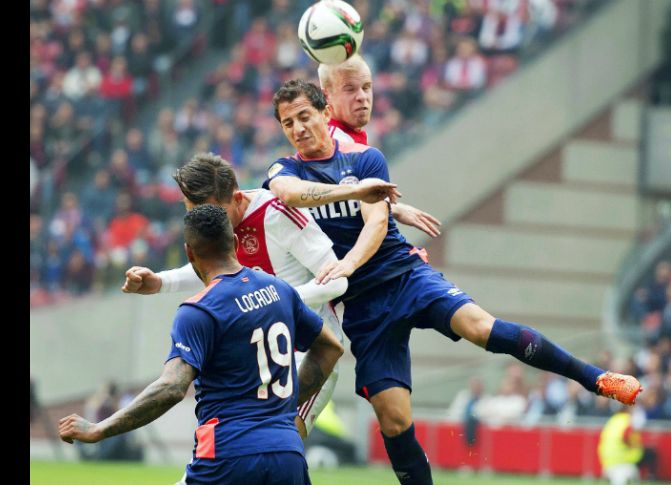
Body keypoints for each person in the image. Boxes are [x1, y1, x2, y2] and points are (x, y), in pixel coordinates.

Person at [264, 79, 643, 485]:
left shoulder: (366, 159)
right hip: (361, 307)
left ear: (324, 113)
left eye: (304, 116)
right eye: (288, 123)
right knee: (393, 420)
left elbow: (376, 225)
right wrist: (355, 193)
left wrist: (350, 260)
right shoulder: (284, 170)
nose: (298, 128)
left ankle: (596, 379)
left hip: (404, 275)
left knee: (481, 328)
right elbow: (291, 194)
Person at [60, 204, 345, 484]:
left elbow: (172, 387)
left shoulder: (199, 310)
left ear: (189, 252)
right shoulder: (278, 289)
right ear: (234, 241)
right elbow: (331, 348)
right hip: (287, 453)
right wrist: (281, 407)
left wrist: (100, 428)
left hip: (227, 457)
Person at [120, 153, 394, 439]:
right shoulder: (216, 227)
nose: (203, 221)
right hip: (259, 359)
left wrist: (274, 301)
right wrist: (160, 282)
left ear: (237, 198)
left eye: (211, 211)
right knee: (245, 453)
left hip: (308, 351)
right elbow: (209, 264)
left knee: (280, 441)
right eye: (192, 212)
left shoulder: (277, 215)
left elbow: (336, 282)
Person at [318, 54, 442, 238]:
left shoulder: (349, 136)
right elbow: (339, 210)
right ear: (326, 96)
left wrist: (392, 207)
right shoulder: (334, 143)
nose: (362, 97)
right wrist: (394, 209)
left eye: (367, 87)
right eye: (350, 89)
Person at [598, 407, 659, 484]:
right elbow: (629, 439)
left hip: (606, 459)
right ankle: (650, 477)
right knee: (650, 453)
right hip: (623, 458)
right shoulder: (628, 421)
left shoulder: (613, 419)